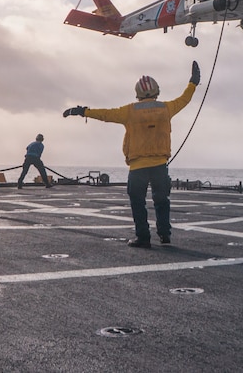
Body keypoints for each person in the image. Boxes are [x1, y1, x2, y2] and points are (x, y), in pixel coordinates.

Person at [64, 61, 200, 248]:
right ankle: (165, 235)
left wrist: (82, 111)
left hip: (137, 167)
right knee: (162, 201)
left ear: (138, 92)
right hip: (160, 165)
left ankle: (143, 238)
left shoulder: (129, 111)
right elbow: (185, 99)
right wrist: (193, 82)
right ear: (156, 90)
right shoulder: (166, 108)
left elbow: (105, 114)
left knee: (138, 203)